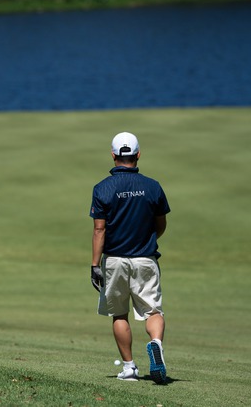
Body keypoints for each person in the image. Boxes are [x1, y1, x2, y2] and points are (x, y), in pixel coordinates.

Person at [89, 132, 170, 383]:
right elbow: (161, 224)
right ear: (138, 154)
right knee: (153, 311)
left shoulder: (103, 188)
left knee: (120, 314)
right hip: (145, 258)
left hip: (114, 260)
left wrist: (94, 265)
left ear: (113, 155)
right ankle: (155, 343)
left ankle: (129, 368)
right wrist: (145, 240)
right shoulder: (153, 186)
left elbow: (99, 229)